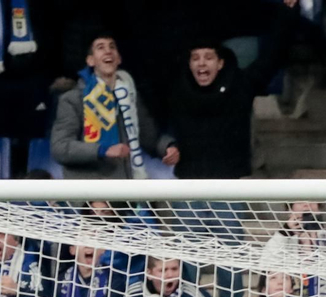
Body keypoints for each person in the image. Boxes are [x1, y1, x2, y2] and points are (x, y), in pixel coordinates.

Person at [166, 5, 299, 180]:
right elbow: (168, 131)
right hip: (187, 192)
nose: (202, 63)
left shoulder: (241, 85)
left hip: (228, 192)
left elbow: (274, 55)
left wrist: (287, 13)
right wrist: (170, 145)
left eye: (208, 57)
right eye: (195, 58)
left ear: (220, 63)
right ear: (189, 63)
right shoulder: (179, 91)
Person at [50, 33, 176, 180]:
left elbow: (148, 136)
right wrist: (102, 150)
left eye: (112, 47)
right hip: (93, 190)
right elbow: (61, 147)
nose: (108, 51)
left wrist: (167, 147)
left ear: (119, 59)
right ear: (90, 61)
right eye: (100, 47)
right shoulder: (73, 100)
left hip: (128, 185)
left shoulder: (129, 95)